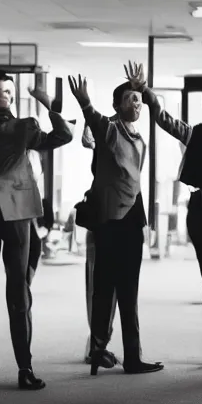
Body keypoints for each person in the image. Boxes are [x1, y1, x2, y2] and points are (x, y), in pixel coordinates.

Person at [0, 29, 74, 390]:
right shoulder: (19, 126)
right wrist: (48, 104)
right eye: (3, 91)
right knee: (2, 291)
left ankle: (1, 363)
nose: (8, 95)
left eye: (10, 91)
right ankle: (7, 365)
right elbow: (63, 137)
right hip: (10, 214)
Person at [68, 68, 163, 376]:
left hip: (131, 222)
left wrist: (144, 223)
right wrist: (84, 104)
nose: (136, 105)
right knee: (105, 290)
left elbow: (134, 185)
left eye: (138, 100)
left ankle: (130, 356)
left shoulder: (139, 139)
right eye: (129, 100)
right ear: (117, 106)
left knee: (128, 294)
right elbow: (95, 122)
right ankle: (99, 350)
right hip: (110, 222)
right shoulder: (110, 130)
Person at [137, 62, 202, 367]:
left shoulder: (198, 134)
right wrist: (147, 93)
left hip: (201, 212)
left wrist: (148, 93)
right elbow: (165, 120)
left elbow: (165, 120)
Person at [77, 123, 119, 369]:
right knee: (98, 288)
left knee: (103, 288)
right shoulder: (107, 137)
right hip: (103, 221)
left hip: (112, 221)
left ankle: (98, 343)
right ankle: (96, 343)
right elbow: (87, 139)